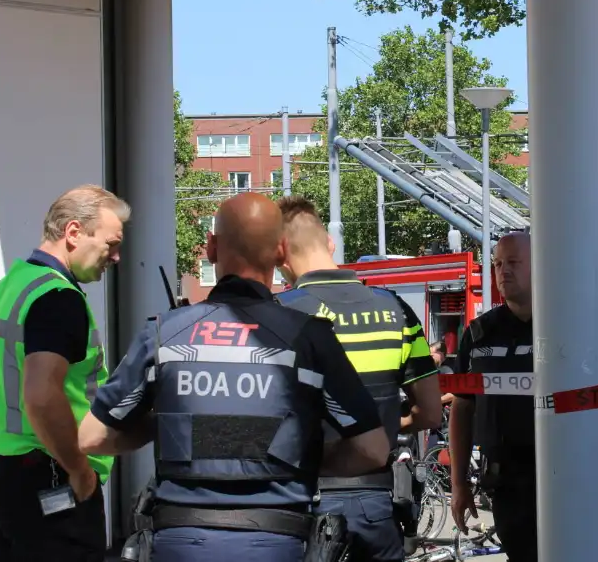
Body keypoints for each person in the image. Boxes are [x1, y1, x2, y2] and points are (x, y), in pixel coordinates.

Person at [77, 193, 390, 562]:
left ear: (210, 249)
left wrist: (163, 427)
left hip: (180, 543)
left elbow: (91, 436)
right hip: (277, 543)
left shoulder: (163, 334)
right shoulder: (310, 338)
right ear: (281, 251)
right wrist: (297, 455)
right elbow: (373, 450)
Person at [0, 185, 129, 562]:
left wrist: (3, 433)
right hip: (48, 479)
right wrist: (78, 471)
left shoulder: (11, 287)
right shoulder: (58, 299)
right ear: (74, 232)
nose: (117, 256)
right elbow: (42, 395)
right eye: (110, 243)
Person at [273, 195, 442, 561]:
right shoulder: (395, 308)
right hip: (375, 504)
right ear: (330, 244)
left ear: (280, 251)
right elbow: (430, 413)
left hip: (303, 503)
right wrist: (382, 426)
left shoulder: (278, 315)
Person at [450, 232, 598, 561]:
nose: (504, 271)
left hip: (572, 479)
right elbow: (462, 410)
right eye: (498, 263)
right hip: (507, 484)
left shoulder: (580, 327)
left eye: (514, 263)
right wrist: (459, 483)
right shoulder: (478, 335)